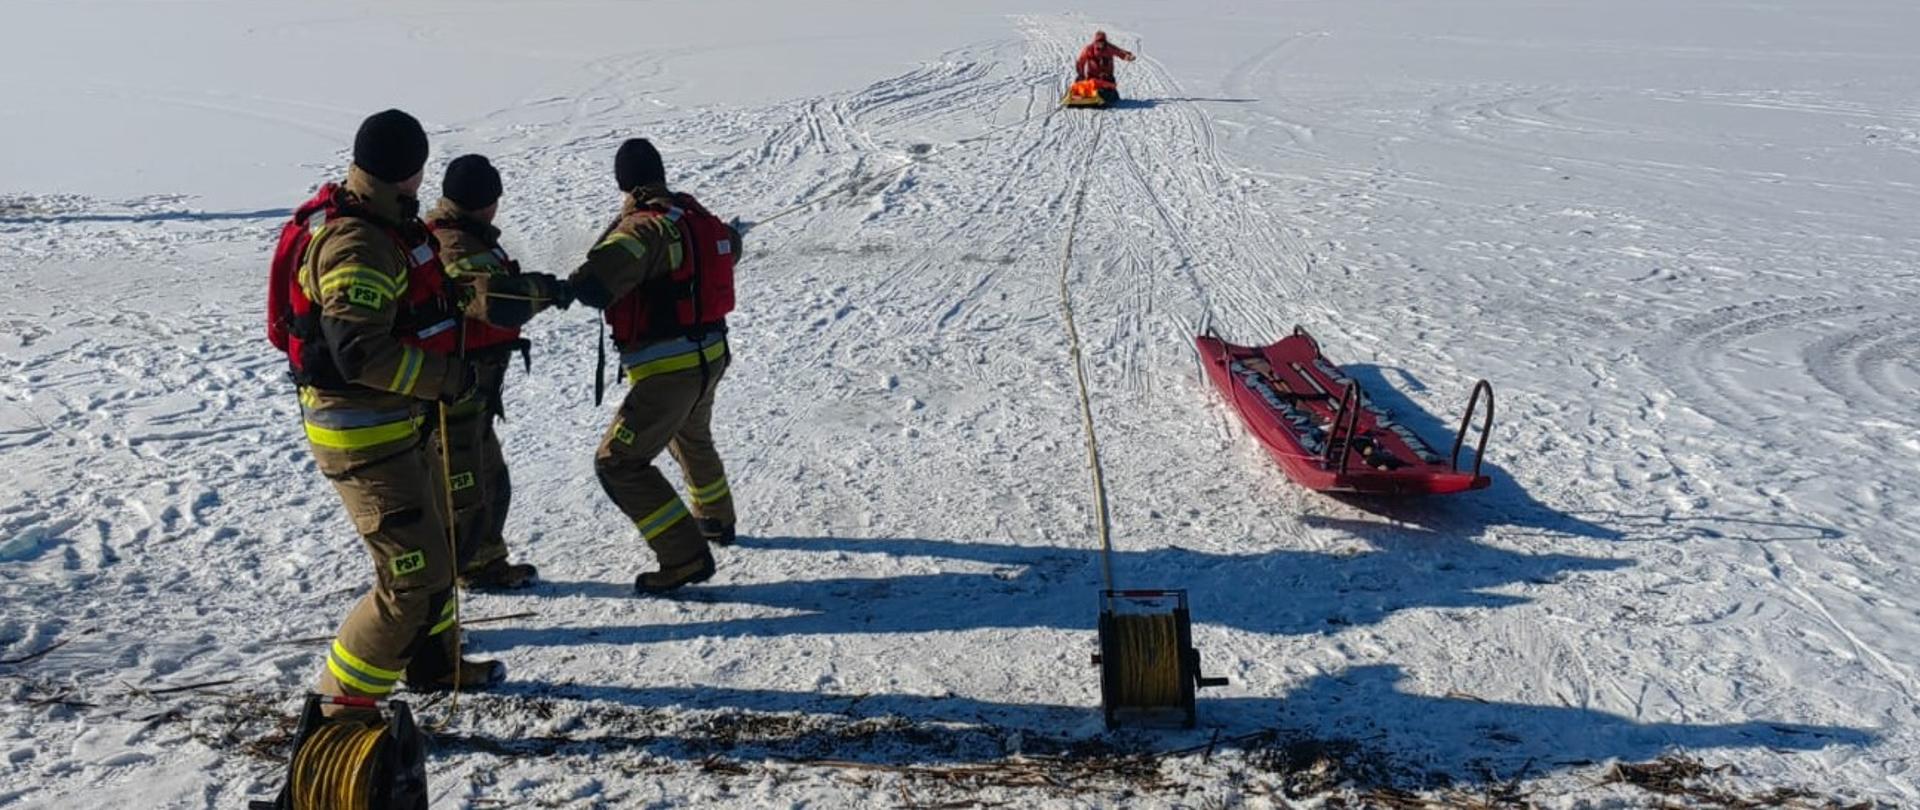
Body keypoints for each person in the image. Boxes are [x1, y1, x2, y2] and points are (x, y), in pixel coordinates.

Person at [276, 109, 505, 706]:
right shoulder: (358, 242)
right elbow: (359, 352)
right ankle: (340, 710)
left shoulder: (386, 224)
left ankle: (435, 664)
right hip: (363, 436)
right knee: (413, 578)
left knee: (441, 547)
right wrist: (445, 379)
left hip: (398, 424)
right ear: (412, 172)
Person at [568, 138, 740, 595]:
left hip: (670, 370)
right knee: (692, 434)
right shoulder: (696, 218)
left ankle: (683, 556)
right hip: (711, 357)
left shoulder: (645, 228)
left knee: (618, 461)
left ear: (623, 182)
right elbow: (729, 248)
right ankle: (716, 519)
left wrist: (559, 288)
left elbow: (594, 284)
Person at [423, 155, 570, 591]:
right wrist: (548, 290)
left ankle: (483, 562)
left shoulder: (465, 237)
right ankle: (440, 583)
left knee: (489, 481)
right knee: (462, 490)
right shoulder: (454, 246)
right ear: (485, 203)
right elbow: (496, 302)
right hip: (451, 391)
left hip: (472, 391)